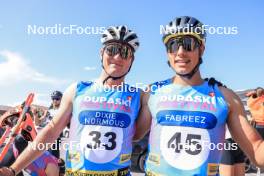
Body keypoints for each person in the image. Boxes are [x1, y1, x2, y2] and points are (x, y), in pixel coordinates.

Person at [0, 25, 145, 176]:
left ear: (131, 60)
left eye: (125, 52)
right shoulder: (77, 90)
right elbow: (51, 131)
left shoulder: (139, 96)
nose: (117, 57)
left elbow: (138, 135)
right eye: (112, 49)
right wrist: (12, 169)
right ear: (101, 52)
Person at [133, 16, 264, 175]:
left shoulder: (226, 97)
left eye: (188, 44)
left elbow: (257, 152)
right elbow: (132, 136)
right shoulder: (152, 92)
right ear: (168, 52)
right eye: (173, 45)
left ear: (201, 49)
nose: (180, 52)